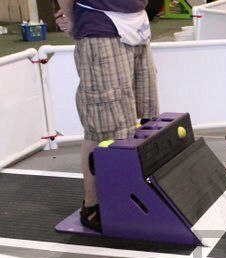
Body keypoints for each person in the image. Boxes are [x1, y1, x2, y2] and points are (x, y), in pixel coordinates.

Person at [55, 0, 159, 232]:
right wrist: (72, 18)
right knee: (104, 125)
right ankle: (92, 205)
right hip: (101, 26)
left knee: (144, 115)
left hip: (137, 24)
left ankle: (126, 195)